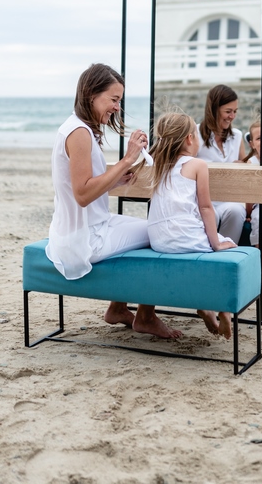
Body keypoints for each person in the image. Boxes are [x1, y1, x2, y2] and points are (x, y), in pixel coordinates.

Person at [45, 63, 181, 340]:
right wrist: (128, 159)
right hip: (84, 238)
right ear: (91, 95)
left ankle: (118, 308)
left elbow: (80, 187)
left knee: (149, 226)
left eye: (119, 100)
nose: (117, 107)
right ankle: (145, 317)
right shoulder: (79, 133)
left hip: (84, 228)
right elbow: (82, 195)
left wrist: (116, 179)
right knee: (159, 231)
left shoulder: (79, 128)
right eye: (114, 99)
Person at [146, 111, 237, 339]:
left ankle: (206, 307)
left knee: (198, 248)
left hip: (158, 240)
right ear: (189, 138)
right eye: (196, 136)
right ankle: (222, 308)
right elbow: (206, 207)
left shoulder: (158, 164)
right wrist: (216, 241)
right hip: (184, 236)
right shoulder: (197, 164)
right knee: (227, 248)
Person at [196, 84, 247, 243]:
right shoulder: (195, 134)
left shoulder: (237, 136)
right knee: (204, 213)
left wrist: (242, 167)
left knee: (237, 209)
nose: (232, 116)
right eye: (228, 111)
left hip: (228, 202)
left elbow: (246, 175)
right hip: (202, 202)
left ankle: (226, 253)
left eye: (235, 111)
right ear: (214, 109)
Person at [243, 120, 261, 248]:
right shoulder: (252, 163)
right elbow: (248, 194)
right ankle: (258, 249)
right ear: (252, 144)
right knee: (258, 220)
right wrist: (248, 213)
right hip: (257, 205)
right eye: (259, 138)